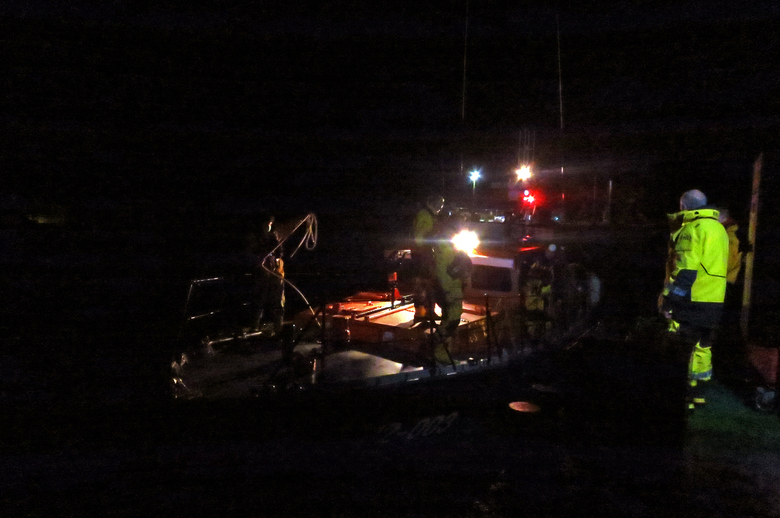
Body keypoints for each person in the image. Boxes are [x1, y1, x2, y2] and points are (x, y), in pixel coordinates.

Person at [660, 189, 729, 411]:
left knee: (681, 348)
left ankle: (681, 395)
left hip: (693, 300)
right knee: (703, 347)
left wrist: (669, 301)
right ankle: (697, 395)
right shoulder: (719, 229)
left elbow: (685, 271)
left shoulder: (692, 229)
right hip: (715, 300)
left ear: (684, 206)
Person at [245, 215, 285, 335]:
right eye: (267, 223)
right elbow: (250, 253)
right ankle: (255, 325)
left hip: (275, 270)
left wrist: (277, 245)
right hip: (262, 271)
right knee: (259, 298)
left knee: (278, 299)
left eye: (271, 224)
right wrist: (264, 250)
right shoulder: (254, 236)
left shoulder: (274, 234)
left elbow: (280, 253)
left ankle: (278, 326)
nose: (269, 226)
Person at [412, 194, 444, 323]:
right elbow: (420, 238)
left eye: (442, 204)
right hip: (422, 255)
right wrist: (434, 233)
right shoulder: (424, 215)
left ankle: (429, 312)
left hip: (428, 254)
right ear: (431, 202)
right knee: (422, 284)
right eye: (439, 203)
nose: (441, 206)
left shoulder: (431, 215)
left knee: (430, 284)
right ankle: (421, 313)